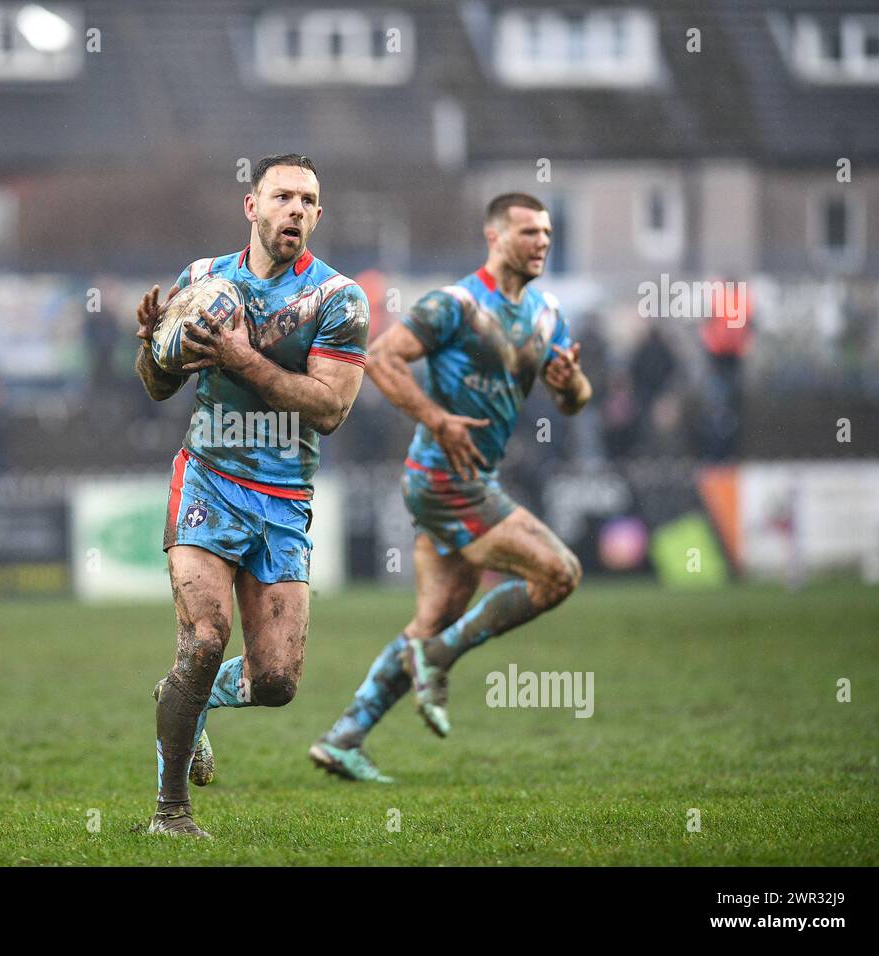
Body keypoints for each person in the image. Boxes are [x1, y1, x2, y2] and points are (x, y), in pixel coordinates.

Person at [310, 193, 592, 782]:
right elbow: (382, 358)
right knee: (559, 572)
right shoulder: (455, 305)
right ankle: (436, 660)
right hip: (442, 478)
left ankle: (344, 736)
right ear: (494, 237)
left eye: (546, 232)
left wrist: (571, 386)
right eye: (527, 232)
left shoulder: (547, 315)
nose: (541, 241)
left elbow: (573, 402)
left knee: (432, 620)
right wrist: (438, 420)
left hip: (470, 479)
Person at [134, 154, 369, 836]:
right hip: (207, 478)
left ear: (319, 217)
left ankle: (187, 699)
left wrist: (243, 360)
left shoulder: (337, 300)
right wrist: (152, 345)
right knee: (204, 641)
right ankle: (170, 813)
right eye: (284, 196)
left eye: (309, 200)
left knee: (277, 682)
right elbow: (154, 384)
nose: (296, 209)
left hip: (284, 498)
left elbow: (328, 409)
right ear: (253, 207)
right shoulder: (202, 280)